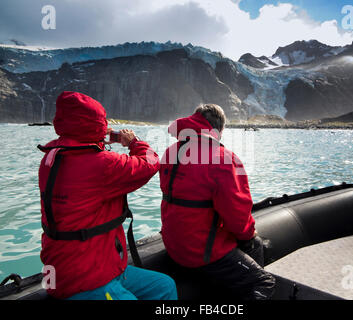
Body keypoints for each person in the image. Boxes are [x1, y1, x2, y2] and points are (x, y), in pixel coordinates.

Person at [38, 91, 177, 300]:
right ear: (98, 125)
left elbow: (83, 157)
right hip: (86, 278)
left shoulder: (52, 156)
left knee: (164, 287)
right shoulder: (103, 165)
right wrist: (133, 142)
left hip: (69, 268)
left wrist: (97, 140)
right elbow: (150, 162)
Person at [159, 104, 275, 300]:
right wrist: (249, 233)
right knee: (263, 279)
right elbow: (238, 217)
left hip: (173, 245)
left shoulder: (170, 152)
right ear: (219, 130)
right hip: (201, 253)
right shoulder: (224, 159)